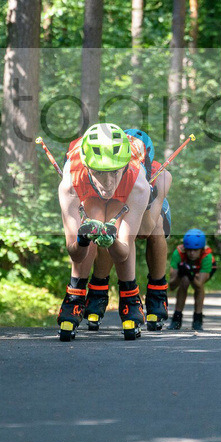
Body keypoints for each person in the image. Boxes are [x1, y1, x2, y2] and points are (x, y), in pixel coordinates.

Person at [56, 123, 152, 341]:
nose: (107, 183)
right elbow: (75, 253)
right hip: (85, 187)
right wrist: (82, 239)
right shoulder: (70, 183)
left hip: (129, 186)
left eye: (113, 172)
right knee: (93, 215)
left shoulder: (139, 184)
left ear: (124, 166)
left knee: (126, 226)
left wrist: (112, 240)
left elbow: (123, 251)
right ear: (87, 166)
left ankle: (130, 298)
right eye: (99, 172)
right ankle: (75, 296)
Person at [81, 128, 173, 332]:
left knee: (157, 227)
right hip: (121, 209)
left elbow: (145, 229)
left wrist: (148, 198)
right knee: (108, 227)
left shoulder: (162, 176)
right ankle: (98, 290)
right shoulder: (114, 169)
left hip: (148, 217)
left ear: (146, 161)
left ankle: (157, 294)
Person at [167, 228, 216, 331]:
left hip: (204, 269)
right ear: (185, 248)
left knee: (198, 287)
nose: (192, 253)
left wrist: (190, 275)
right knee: (184, 281)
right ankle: (176, 319)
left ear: (201, 249)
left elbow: (198, 285)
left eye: (195, 250)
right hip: (186, 271)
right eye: (189, 250)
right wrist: (180, 274)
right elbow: (172, 286)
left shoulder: (207, 256)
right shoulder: (178, 253)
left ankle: (198, 319)